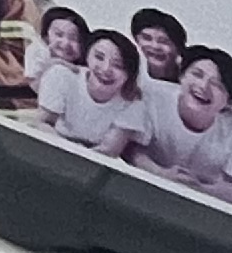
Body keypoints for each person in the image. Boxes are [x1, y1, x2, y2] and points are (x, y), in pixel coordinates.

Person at [146, 46, 232, 207]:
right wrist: (161, 173)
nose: (203, 86)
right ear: (181, 76)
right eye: (197, 74)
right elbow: (131, 149)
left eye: (217, 85)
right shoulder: (153, 96)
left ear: (229, 102)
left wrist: (198, 189)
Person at [50, 29, 158, 162]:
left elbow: (108, 150)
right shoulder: (63, 76)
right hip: (52, 150)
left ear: (129, 74)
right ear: (87, 55)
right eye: (99, 57)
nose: (106, 69)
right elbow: (43, 124)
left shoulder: (133, 105)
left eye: (118, 65)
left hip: (92, 162)